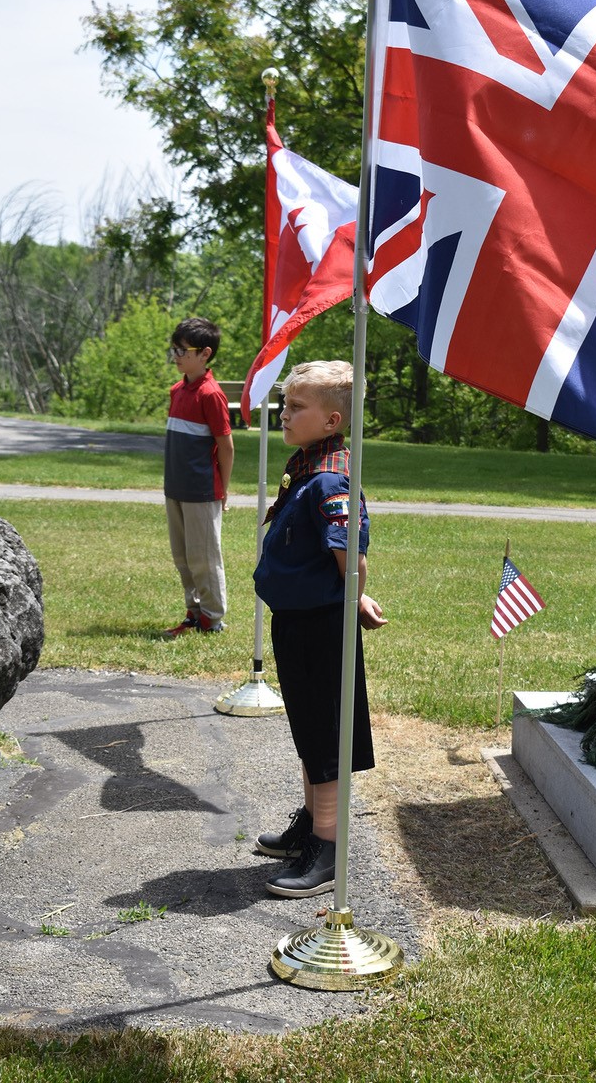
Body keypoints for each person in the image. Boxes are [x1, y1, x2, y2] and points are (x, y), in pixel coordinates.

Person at [252, 359, 387, 898]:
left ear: (332, 420)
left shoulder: (330, 475)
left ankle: (328, 848)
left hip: (319, 624)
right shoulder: (309, 461)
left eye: (296, 407)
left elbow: (349, 550)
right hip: (298, 620)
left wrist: (356, 597)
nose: (284, 414)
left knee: (326, 737)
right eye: (285, 405)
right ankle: (312, 824)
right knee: (310, 730)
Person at [161, 317, 234, 639]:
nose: (176, 355)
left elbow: (226, 446)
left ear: (205, 354)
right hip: (175, 488)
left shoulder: (211, 394)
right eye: (173, 349)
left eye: (182, 350)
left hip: (202, 491)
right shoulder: (177, 390)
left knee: (204, 557)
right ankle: (193, 613)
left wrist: (224, 489)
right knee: (183, 557)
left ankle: (213, 618)